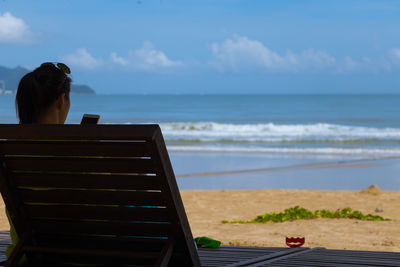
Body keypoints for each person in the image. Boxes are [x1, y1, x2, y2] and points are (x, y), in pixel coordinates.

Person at [6, 62, 72, 263]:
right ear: (61, 100)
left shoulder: (10, 150)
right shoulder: (85, 152)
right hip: (90, 255)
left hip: (29, 255)